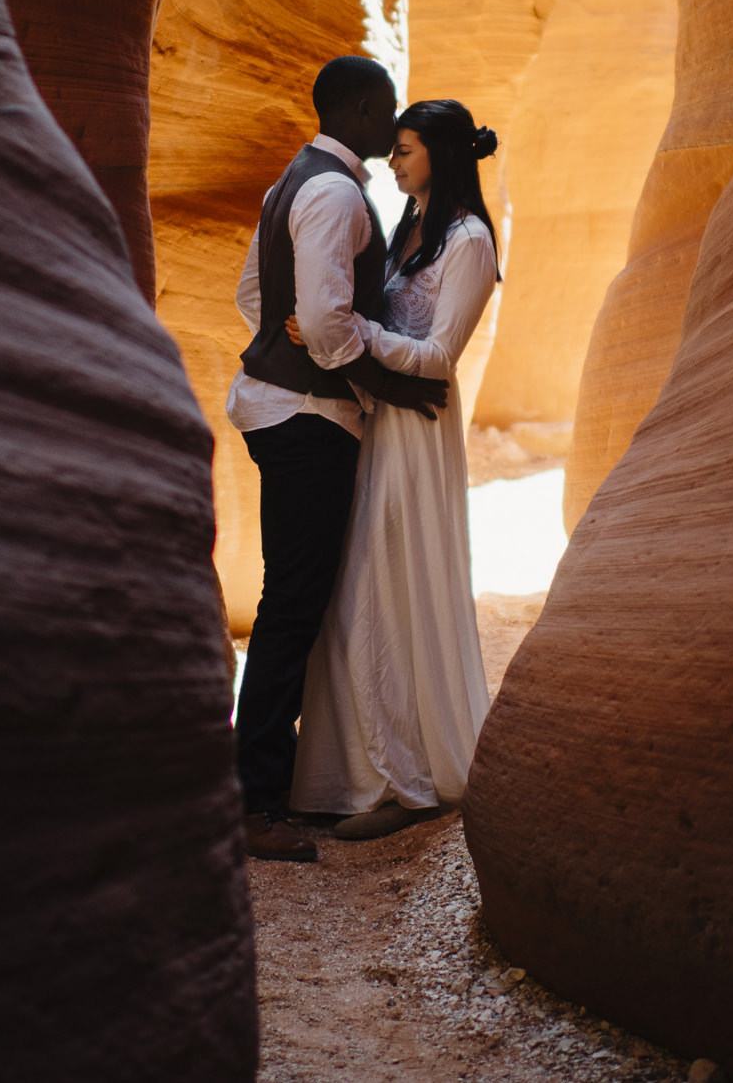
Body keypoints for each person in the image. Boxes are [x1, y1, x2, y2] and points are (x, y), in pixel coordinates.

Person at [229, 57, 449, 864]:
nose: (392, 128)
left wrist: (299, 342)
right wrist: (383, 381)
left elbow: (255, 295)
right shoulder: (335, 192)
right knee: (291, 607)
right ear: (361, 108)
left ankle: (266, 782)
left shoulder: (294, 179)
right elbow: (323, 324)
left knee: (289, 602)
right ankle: (254, 803)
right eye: (386, 111)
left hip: (277, 407)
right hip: (310, 419)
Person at [286, 98, 500, 840]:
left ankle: (405, 780)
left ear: (440, 152)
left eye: (406, 149)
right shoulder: (410, 226)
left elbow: (440, 356)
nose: (392, 160)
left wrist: (355, 332)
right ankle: (356, 767)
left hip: (417, 429)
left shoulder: (470, 240)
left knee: (393, 583)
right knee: (358, 588)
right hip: (379, 420)